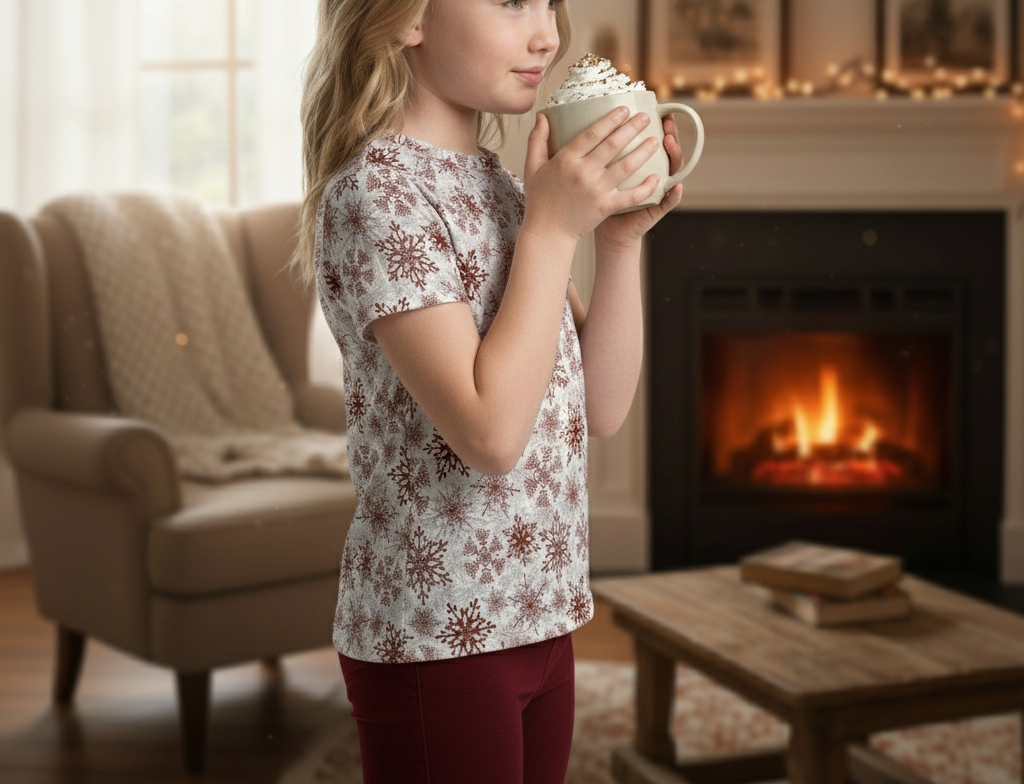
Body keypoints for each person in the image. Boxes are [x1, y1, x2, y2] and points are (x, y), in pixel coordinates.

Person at [291, 1, 684, 781]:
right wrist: (551, 230)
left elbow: (599, 407)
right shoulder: (378, 198)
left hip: (542, 613)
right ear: (408, 18)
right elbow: (491, 435)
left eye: (548, 3)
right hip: (438, 637)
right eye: (510, 2)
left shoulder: (505, 189)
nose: (547, 33)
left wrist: (616, 241)